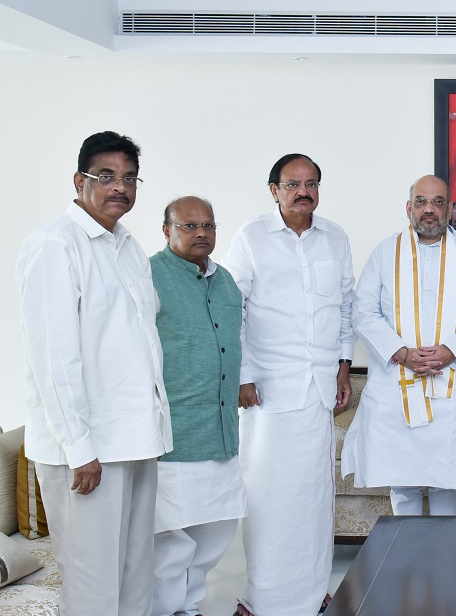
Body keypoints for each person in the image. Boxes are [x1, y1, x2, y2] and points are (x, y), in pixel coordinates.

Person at [16, 131, 172, 615]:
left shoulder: (125, 246)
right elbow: (54, 358)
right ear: (79, 180)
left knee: (133, 572)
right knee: (92, 587)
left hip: (135, 440)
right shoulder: (54, 246)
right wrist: (80, 449)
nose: (118, 187)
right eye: (106, 176)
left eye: (129, 177)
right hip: (85, 452)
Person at [222, 154, 355, 616]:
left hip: (318, 392)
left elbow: (345, 307)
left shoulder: (335, 238)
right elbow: (230, 309)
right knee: (268, 499)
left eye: (312, 183)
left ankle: (314, 594)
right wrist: (241, 375)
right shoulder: (250, 238)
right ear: (273, 189)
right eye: (293, 183)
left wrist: (343, 366)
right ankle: (260, 600)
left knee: (314, 501)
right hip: (268, 394)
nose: (304, 191)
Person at [343, 175, 456, 515]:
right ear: (409, 208)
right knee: (403, 485)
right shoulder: (386, 252)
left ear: (448, 209)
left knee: (448, 483)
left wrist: (451, 350)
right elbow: (364, 310)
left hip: (452, 393)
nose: (429, 210)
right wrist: (401, 353)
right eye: (421, 202)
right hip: (397, 389)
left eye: (438, 202)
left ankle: (445, 566)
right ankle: (407, 562)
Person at [150, 197, 247, 616]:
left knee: (216, 534)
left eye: (208, 225)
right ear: (166, 229)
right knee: (169, 540)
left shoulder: (225, 280)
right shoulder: (147, 275)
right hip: (175, 433)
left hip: (221, 431)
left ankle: (187, 607)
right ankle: (164, 610)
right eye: (189, 226)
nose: (201, 233)